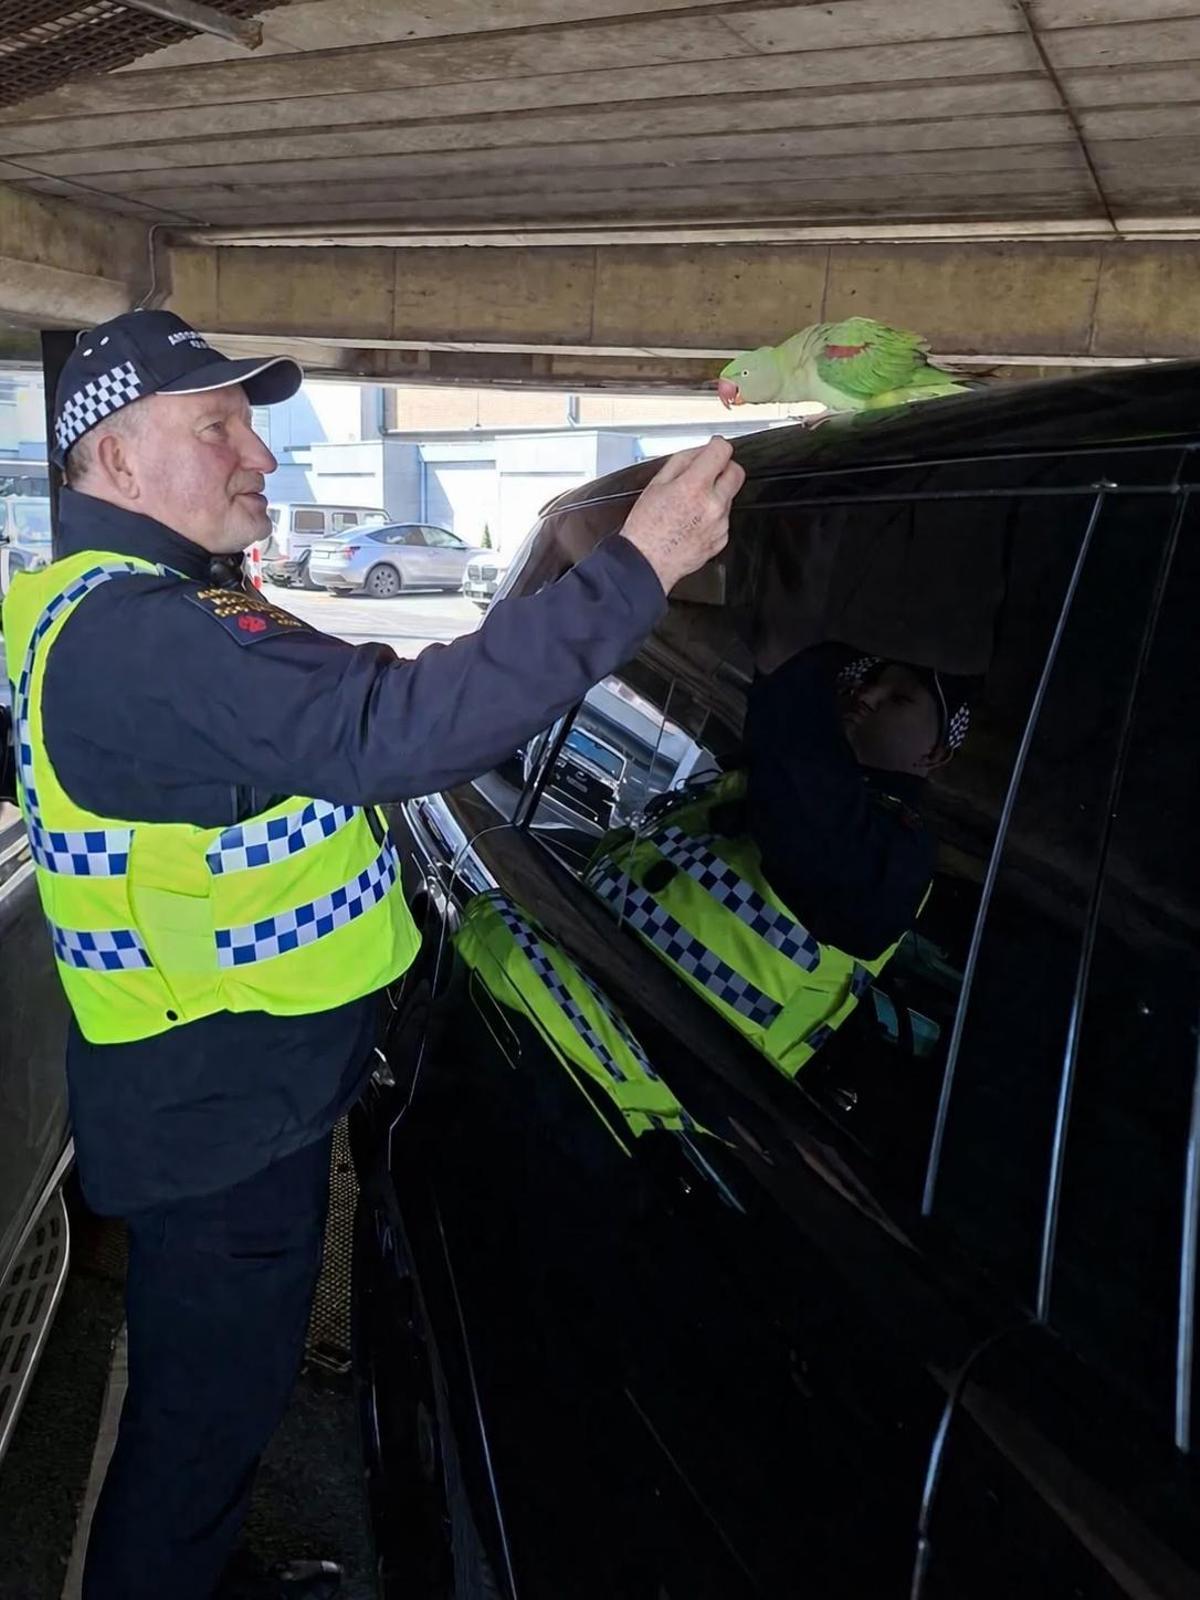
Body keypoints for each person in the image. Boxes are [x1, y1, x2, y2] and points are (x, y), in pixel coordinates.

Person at [0, 308, 743, 1600]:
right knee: (191, 1439)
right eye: (217, 425)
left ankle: (200, 1571)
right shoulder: (138, 637)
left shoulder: (139, 607)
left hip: (218, 1112)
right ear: (114, 462)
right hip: (219, 1133)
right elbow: (383, 734)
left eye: (253, 422)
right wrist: (631, 573)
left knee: (213, 1417)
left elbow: (314, 718)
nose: (262, 456)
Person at [587, 644, 969, 1079]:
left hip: (669, 1078)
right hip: (591, 1002)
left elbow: (808, 821)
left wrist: (800, 651)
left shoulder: (892, 851)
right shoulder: (757, 781)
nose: (866, 697)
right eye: (866, 683)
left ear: (936, 754)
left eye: (897, 699)